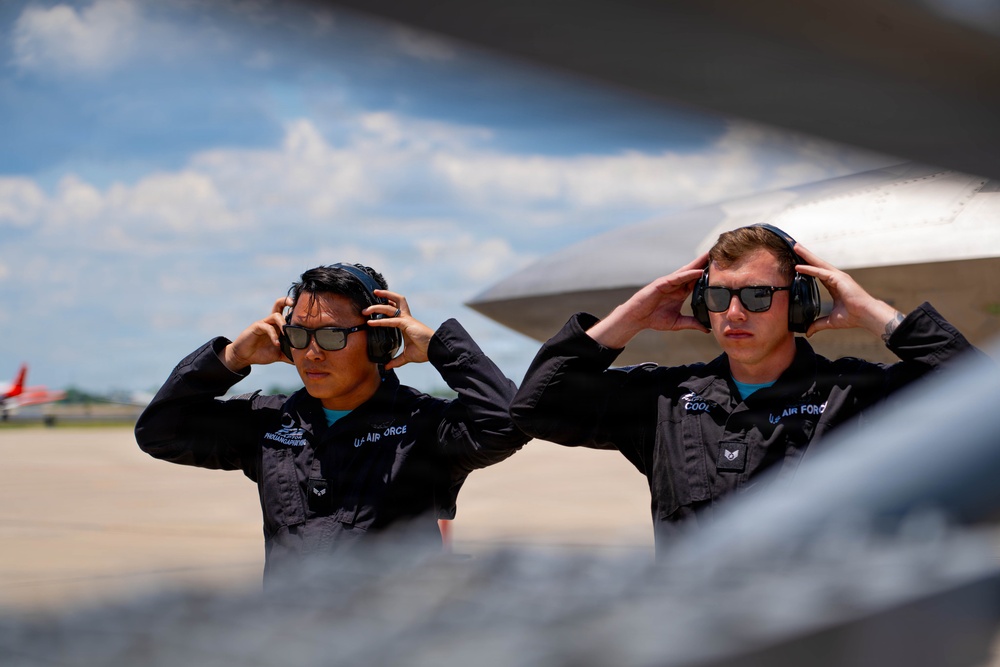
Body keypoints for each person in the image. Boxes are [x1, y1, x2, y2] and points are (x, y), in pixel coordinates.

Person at [510, 224, 982, 551]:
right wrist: (632, 315)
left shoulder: (857, 394)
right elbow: (538, 405)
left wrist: (871, 310)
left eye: (757, 296)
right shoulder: (666, 400)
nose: (734, 313)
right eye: (718, 296)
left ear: (796, 303)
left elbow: (979, 403)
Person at [136, 263, 527, 579]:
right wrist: (231, 359)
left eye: (332, 336)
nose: (312, 353)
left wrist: (442, 349)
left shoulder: (421, 425)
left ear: (380, 339)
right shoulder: (270, 423)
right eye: (299, 335)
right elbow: (159, 433)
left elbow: (507, 423)